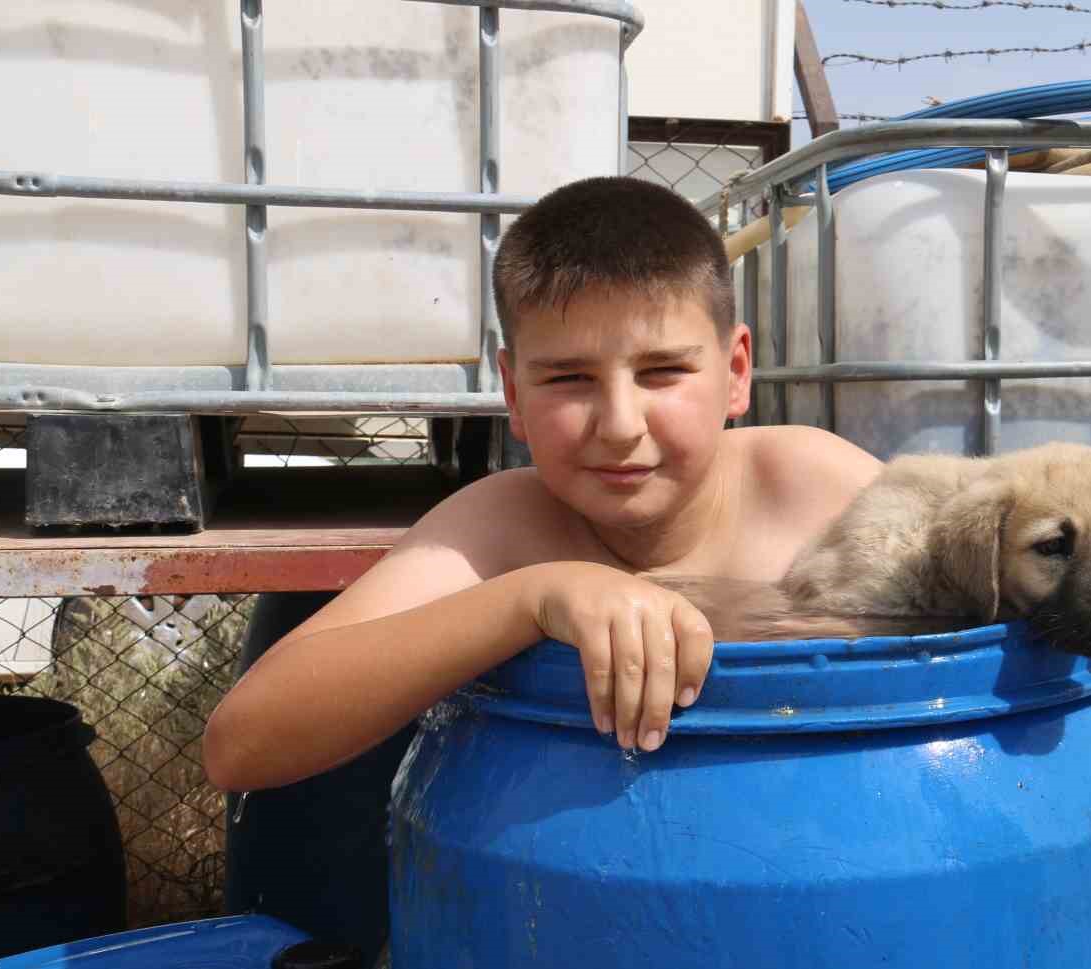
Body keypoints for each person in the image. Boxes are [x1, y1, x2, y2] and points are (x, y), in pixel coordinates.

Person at [202, 176, 883, 791]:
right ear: (513, 392)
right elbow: (240, 746)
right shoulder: (499, 531)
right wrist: (532, 596)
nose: (619, 425)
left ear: (736, 371)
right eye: (567, 379)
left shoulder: (817, 490)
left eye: (663, 372)